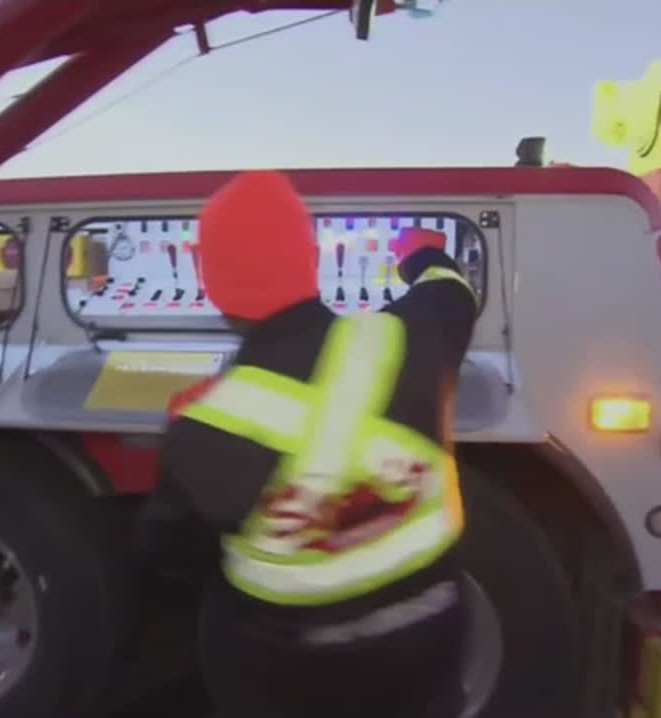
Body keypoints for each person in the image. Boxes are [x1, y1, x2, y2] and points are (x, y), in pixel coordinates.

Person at [136, 170, 481, 718]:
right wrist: (418, 252)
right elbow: (452, 288)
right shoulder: (416, 334)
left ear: (210, 283)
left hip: (287, 670)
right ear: (312, 258)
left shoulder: (202, 422)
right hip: (427, 640)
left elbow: (171, 554)